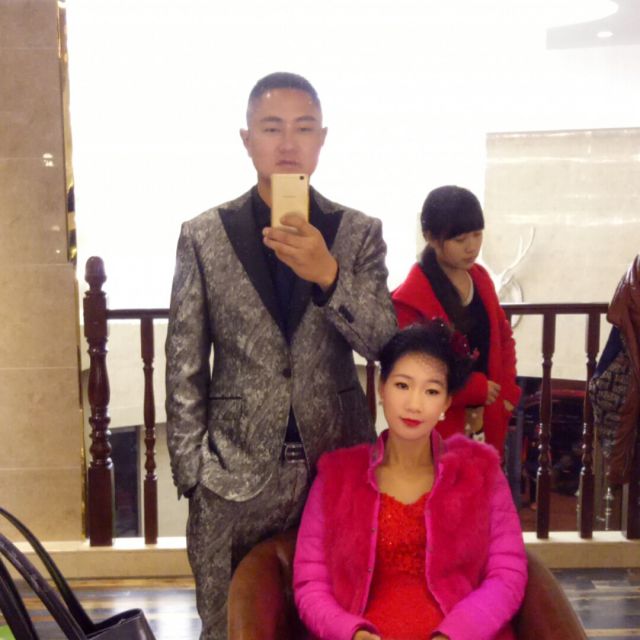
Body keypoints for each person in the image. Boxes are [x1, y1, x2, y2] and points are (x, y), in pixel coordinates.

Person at [165, 71, 396, 639]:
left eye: (303, 128)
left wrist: (330, 276)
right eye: (272, 128)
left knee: (338, 622)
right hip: (232, 478)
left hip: (336, 471)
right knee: (228, 625)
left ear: (322, 139)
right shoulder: (204, 235)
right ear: (247, 140)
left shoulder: (357, 233)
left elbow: (384, 342)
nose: (288, 143)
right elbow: (183, 362)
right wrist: (193, 471)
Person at [294, 321, 527, 640]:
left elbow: (507, 573)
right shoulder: (337, 475)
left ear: (446, 402)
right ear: (382, 388)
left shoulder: (480, 471)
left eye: (432, 391)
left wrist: (455, 634)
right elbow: (310, 583)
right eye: (402, 385)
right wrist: (351, 633)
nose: (414, 404)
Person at [392, 185, 520, 455]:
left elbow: (504, 338)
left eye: (477, 234)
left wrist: (508, 394)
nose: (472, 247)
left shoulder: (481, 279)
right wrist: (471, 388)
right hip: (439, 429)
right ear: (430, 237)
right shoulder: (410, 299)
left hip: (487, 420)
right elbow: (414, 373)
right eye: (460, 239)